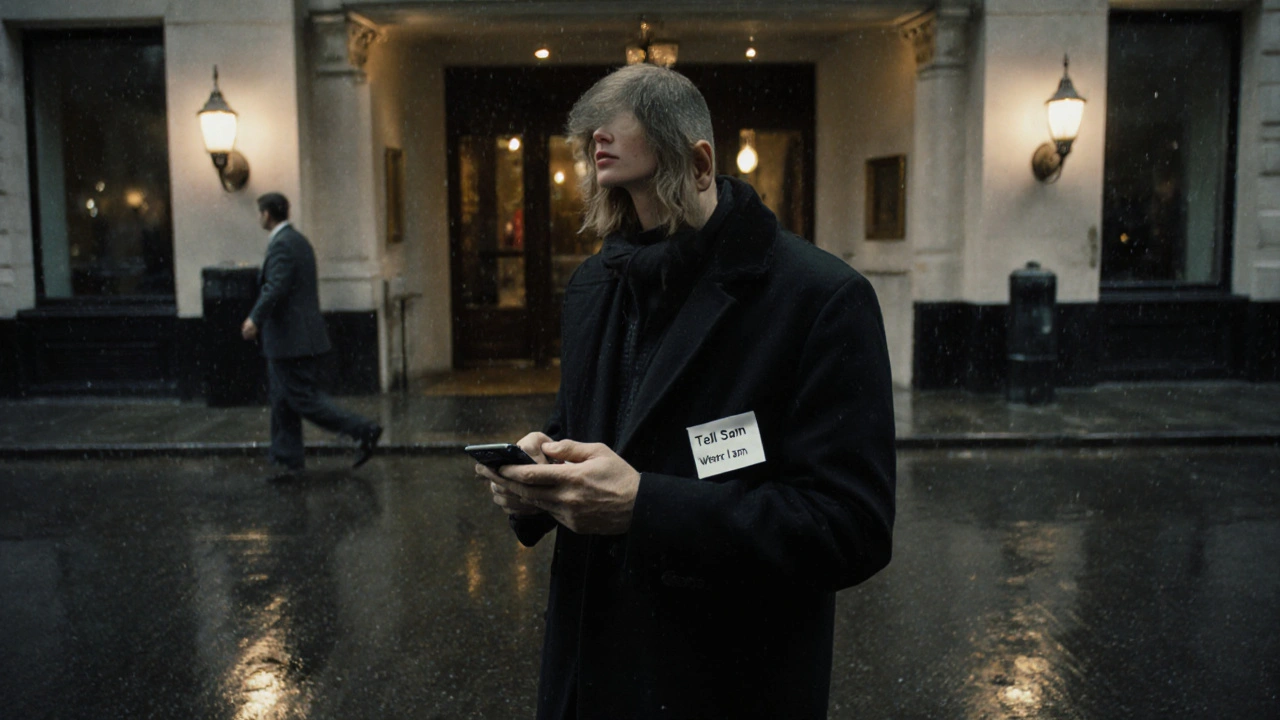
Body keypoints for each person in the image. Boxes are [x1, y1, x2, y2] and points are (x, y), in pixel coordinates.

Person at [475, 65, 896, 718]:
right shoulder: (594, 287)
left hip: (725, 684)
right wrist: (533, 481)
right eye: (609, 192)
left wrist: (647, 506)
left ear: (698, 165)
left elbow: (852, 527)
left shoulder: (818, 300)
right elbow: (581, 426)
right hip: (588, 684)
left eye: (642, 191)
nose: (622, 219)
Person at [242, 192, 382, 478]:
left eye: (260, 213)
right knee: (283, 399)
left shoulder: (282, 245)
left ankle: (363, 429)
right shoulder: (298, 241)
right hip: (297, 338)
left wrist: (255, 318)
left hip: (290, 340)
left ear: (267, 214)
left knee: (304, 400)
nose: (259, 218)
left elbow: (275, 287)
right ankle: (287, 459)